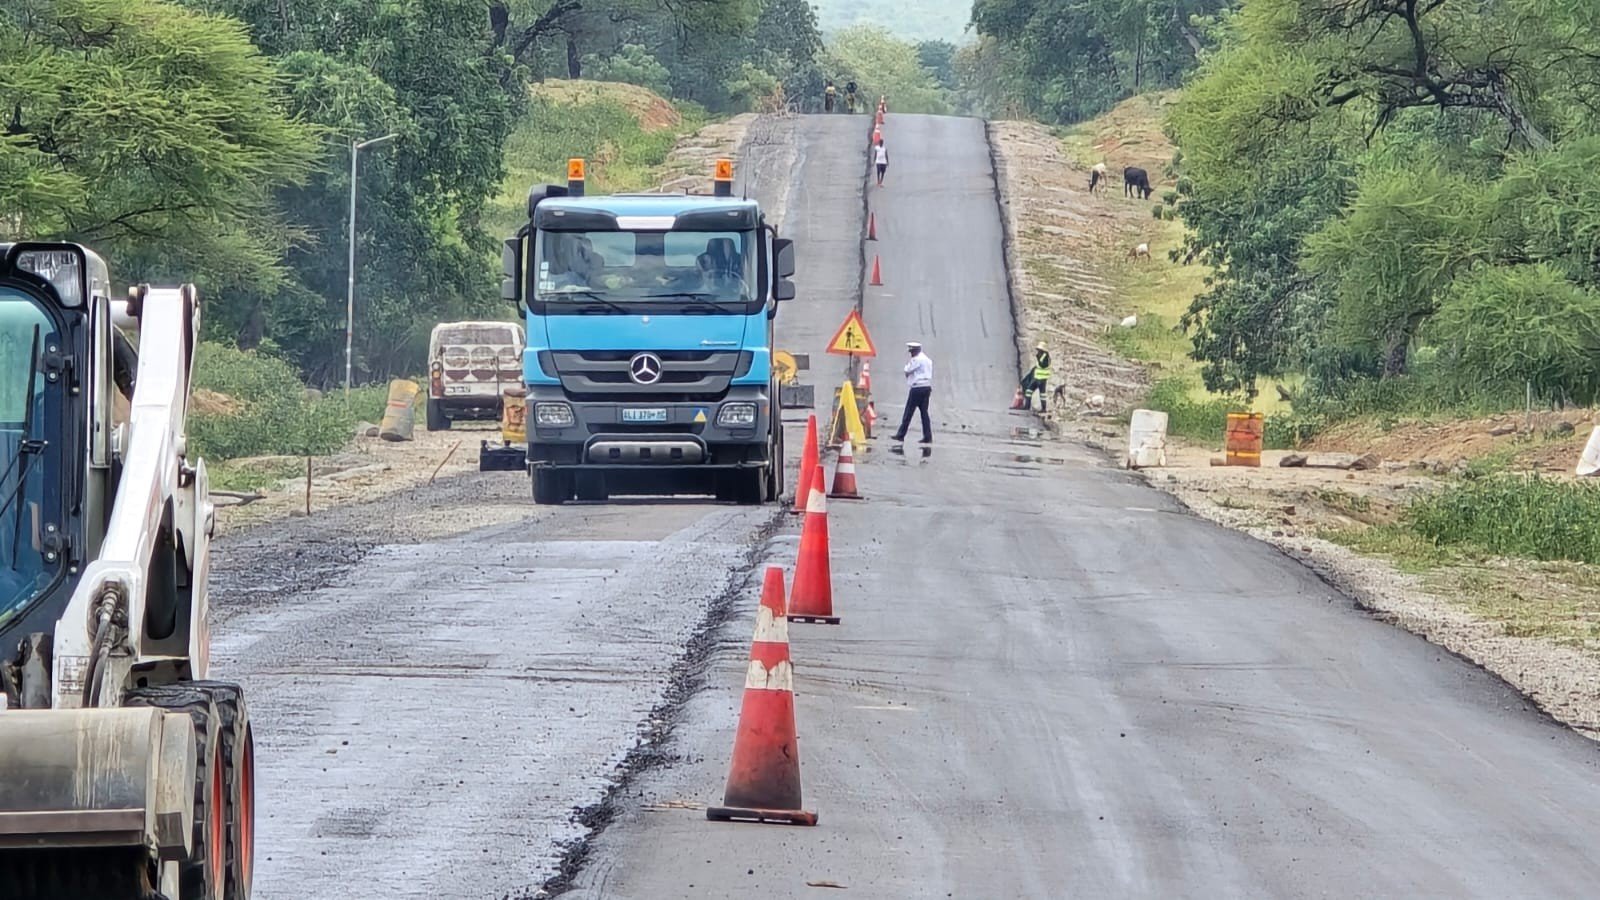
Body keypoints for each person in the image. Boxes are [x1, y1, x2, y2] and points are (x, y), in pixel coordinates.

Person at [893, 341, 933, 444]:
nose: (911, 354)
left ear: (915, 351)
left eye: (911, 351)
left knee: (908, 412)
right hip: (926, 387)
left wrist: (907, 368)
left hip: (917, 388)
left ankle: (901, 435)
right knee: (924, 413)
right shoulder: (928, 360)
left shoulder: (916, 360)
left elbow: (907, 370)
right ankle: (927, 436)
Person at [1020, 342, 1052, 413]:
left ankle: (1043, 408)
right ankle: (1027, 406)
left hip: (1041, 379)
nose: (1038, 351)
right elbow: (1037, 366)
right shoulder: (1041, 355)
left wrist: (1038, 357)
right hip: (1037, 378)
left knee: (1042, 394)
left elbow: (1042, 365)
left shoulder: (1045, 356)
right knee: (1029, 390)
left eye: (1039, 350)